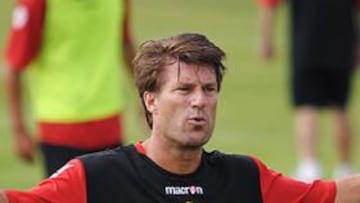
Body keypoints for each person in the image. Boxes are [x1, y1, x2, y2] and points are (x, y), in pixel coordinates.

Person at [1, 32, 360, 203]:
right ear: (151, 101)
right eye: (184, 90)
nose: (199, 102)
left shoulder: (246, 178)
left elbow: (335, 195)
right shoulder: (95, 177)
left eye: (209, 89)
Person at [4, 0, 135, 177]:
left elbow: (124, 43)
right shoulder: (35, 3)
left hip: (109, 123)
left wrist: (147, 93)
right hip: (60, 129)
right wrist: (19, 130)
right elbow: (13, 66)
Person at [257, 0, 359, 182]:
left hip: (307, 43)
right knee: (340, 105)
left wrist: (266, 38)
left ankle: (309, 167)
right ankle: (345, 168)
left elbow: (269, 3)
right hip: (342, 44)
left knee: (306, 105)